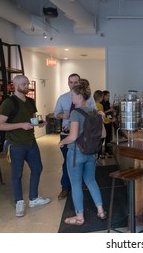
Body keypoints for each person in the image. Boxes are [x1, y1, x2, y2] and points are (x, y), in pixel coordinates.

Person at [0, 75, 51, 217]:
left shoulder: (31, 101)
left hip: (31, 142)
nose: (27, 87)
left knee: (37, 168)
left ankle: (33, 198)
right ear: (15, 85)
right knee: (17, 174)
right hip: (16, 145)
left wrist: (39, 123)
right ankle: (19, 202)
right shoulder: (9, 103)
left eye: (27, 84)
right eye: (24, 84)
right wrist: (21, 125)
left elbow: (31, 119)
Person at [58, 81, 107, 226]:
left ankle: (79, 217)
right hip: (91, 154)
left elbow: (72, 137)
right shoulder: (95, 112)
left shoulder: (75, 113)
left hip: (76, 154)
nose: (71, 97)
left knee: (76, 184)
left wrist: (62, 142)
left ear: (80, 96)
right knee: (91, 181)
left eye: (73, 94)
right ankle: (101, 211)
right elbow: (103, 134)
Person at [53, 74, 97, 200]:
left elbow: (94, 111)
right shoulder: (63, 98)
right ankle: (66, 187)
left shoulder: (88, 98)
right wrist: (63, 115)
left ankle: (81, 184)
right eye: (71, 82)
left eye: (76, 82)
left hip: (84, 135)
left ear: (80, 82)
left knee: (83, 160)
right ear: (68, 83)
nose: (73, 84)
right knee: (67, 161)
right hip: (67, 133)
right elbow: (56, 114)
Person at [101, 90, 115, 155]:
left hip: (109, 121)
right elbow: (102, 113)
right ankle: (100, 151)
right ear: (103, 96)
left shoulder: (108, 103)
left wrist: (112, 114)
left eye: (109, 96)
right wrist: (109, 110)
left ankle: (107, 150)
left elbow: (109, 113)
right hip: (104, 122)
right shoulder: (101, 104)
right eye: (107, 96)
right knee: (103, 137)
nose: (108, 97)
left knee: (108, 137)